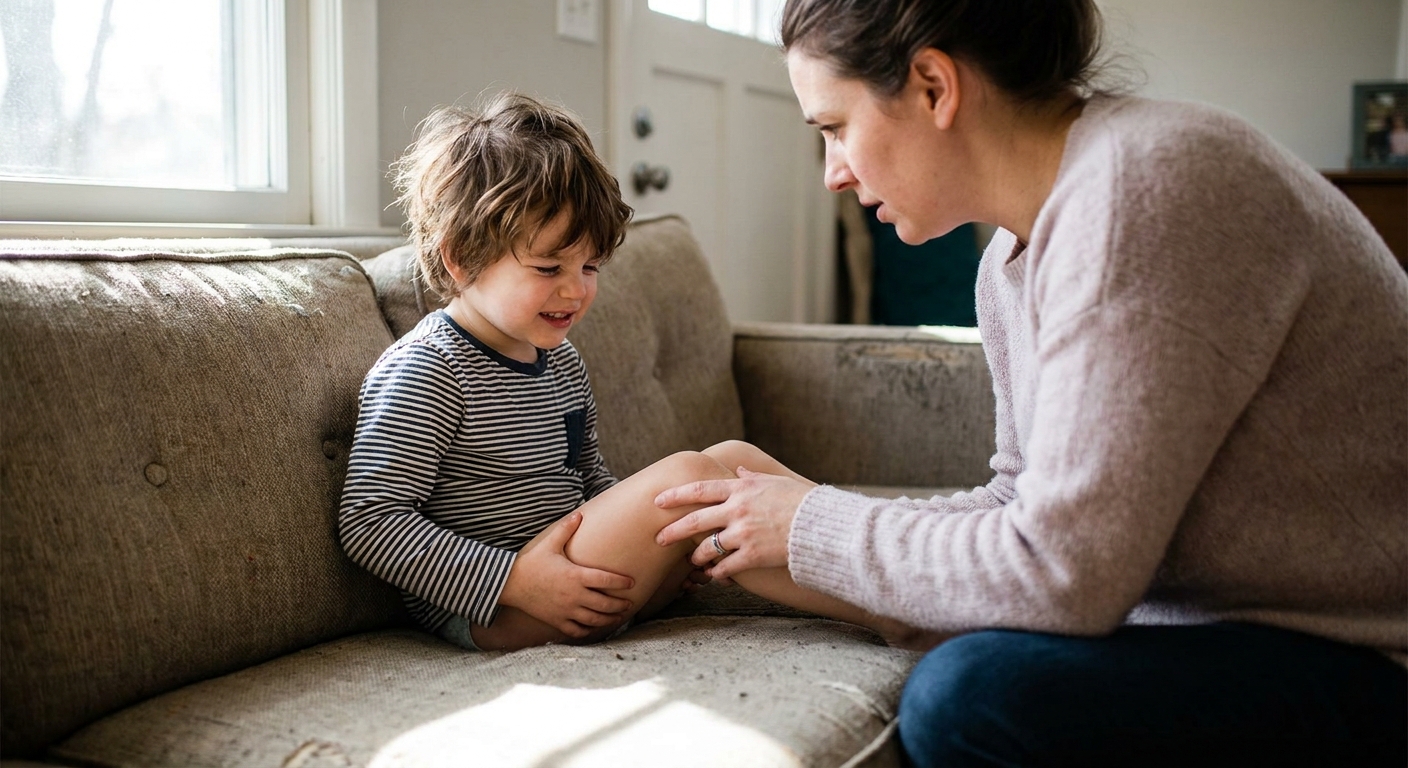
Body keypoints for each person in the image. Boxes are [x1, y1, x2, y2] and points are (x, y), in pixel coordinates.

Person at [654, 1, 1408, 765]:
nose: (834, 174)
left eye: (835, 127)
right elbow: (1021, 504)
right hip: (1211, 625)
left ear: (932, 86)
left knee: (970, 696)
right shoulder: (1011, 259)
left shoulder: (1145, 191)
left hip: (1365, 653)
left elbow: (1060, 572)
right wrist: (783, 538)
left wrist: (816, 526)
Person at [338, 92, 921, 653]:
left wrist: (653, 545)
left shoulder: (559, 359)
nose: (576, 290)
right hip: (506, 606)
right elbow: (370, 522)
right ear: (461, 260)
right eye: (548, 267)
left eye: (590, 265)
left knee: (735, 461)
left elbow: (590, 478)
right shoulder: (428, 368)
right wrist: (516, 580)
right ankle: (900, 617)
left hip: (579, 572)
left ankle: (893, 568)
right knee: (694, 473)